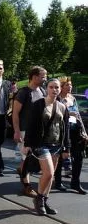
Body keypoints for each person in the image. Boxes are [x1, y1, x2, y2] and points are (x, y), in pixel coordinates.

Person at [24, 78, 70, 215]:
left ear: (59, 89)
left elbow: (65, 129)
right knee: (48, 173)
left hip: (56, 145)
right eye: (51, 87)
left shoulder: (62, 107)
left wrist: (67, 148)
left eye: (56, 87)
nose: (54, 90)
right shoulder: (38, 104)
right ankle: (39, 199)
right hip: (41, 144)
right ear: (47, 88)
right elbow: (30, 125)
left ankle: (44, 200)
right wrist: (27, 144)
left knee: (51, 176)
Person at [12, 66, 47, 197]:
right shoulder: (24, 92)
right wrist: (16, 131)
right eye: (43, 76)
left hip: (38, 131)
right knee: (27, 158)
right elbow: (15, 113)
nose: (45, 79)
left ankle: (22, 169)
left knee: (32, 158)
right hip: (24, 130)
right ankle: (26, 186)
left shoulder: (43, 91)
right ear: (34, 77)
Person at [56, 77, 87, 194]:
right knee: (60, 157)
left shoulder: (72, 98)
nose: (70, 87)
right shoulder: (58, 99)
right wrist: (68, 113)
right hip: (62, 131)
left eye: (71, 85)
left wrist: (84, 132)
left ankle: (75, 183)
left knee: (78, 157)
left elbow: (78, 116)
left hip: (74, 131)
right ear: (62, 87)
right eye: (67, 85)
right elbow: (56, 115)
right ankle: (58, 182)